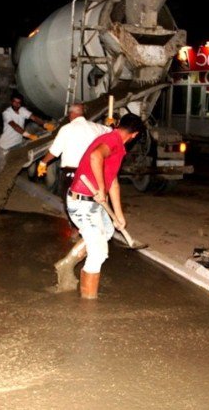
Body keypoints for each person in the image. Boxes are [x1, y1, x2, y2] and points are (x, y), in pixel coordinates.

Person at [58, 113, 144, 299]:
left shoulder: (117, 145)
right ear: (135, 135)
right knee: (98, 253)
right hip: (82, 202)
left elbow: (113, 182)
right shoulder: (112, 140)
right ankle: (88, 305)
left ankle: (67, 262)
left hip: (93, 202)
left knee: (107, 231)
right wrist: (100, 187)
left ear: (120, 124)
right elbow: (96, 156)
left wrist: (119, 216)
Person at [37, 103, 110, 240]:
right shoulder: (96, 127)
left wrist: (43, 162)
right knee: (90, 201)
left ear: (71, 114)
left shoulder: (67, 129)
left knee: (71, 201)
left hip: (72, 174)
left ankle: (76, 230)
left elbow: (54, 151)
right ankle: (93, 229)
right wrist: (111, 123)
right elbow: (112, 132)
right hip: (92, 172)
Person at [0, 93, 55, 171]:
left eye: (19, 102)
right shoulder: (7, 113)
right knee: (2, 171)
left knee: (12, 169)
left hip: (16, 146)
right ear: (11, 102)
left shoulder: (22, 110)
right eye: (15, 102)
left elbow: (34, 118)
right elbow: (15, 126)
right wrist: (29, 135)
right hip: (3, 148)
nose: (16, 104)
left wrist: (45, 124)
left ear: (21, 103)